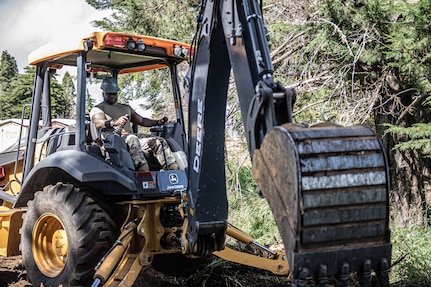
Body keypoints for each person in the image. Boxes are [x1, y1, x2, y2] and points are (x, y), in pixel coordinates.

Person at [90, 77, 179, 171]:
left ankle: (173, 170)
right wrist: (114, 122)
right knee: (132, 139)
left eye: (114, 94)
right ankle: (142, 170)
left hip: (130, 137)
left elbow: (142, 121)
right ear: (103, 93)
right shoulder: (98, 108)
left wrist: (158, 122)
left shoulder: (125, 107)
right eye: (109, 94)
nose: (112, 96)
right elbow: (98, 123)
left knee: (158, 141)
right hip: (114, 141)